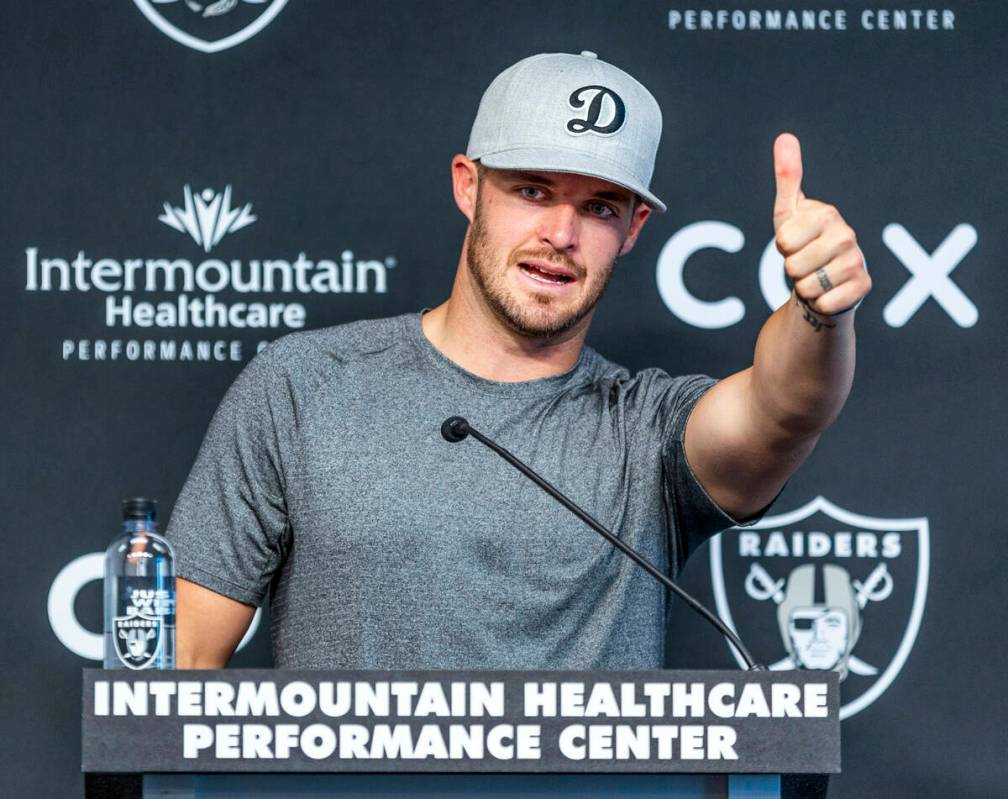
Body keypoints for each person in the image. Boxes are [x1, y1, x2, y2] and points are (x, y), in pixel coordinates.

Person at [166, 51, 870, 670]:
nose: (560, 233)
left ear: (634, 228)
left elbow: (786, 406)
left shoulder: (646, 431)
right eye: (532, 190)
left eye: (599, 207)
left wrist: (821, 310)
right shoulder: (302, 387)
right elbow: (182, 666)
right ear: (468, 186)